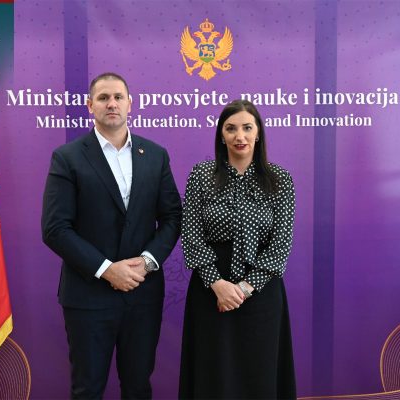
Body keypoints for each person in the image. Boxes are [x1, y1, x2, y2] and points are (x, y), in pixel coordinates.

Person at [41, 72, 182, 399]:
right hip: (88, 296)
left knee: (138, 388)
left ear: (130, 103)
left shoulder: (156, 155)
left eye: (118, 97)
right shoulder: (68, 157)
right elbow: (55, 228)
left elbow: (173, 217)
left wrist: (147, 262)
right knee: (87, 389)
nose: (112, 103)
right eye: (103, 98)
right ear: (90, 105)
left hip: (142, 295)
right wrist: (106, 269)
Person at [179, 99, 296, 399]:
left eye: (247, 128)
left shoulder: (280, 180)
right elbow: (191, 235)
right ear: (221, 135)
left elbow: (280, 246)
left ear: (258, 133)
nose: (239, 136)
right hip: (210, 291)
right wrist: (217, 285)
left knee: (259, 373)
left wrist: (243, 289)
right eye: (231, 129)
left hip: (261, 292)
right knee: (212, 374)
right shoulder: (201, 175)